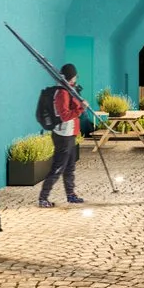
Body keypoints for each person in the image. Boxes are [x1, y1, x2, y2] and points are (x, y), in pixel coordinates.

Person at [36, 63, 89, 208]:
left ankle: (71, 195)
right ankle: (43, 198)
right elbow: (65, 116)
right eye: (75, 76)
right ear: (71, 77)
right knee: (58, 167)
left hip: (70, 134)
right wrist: (80, 110)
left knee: (70, 166)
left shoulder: (70, 90)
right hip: (63, 135)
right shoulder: (62, 93)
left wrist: (80, 106)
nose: (76, 78)